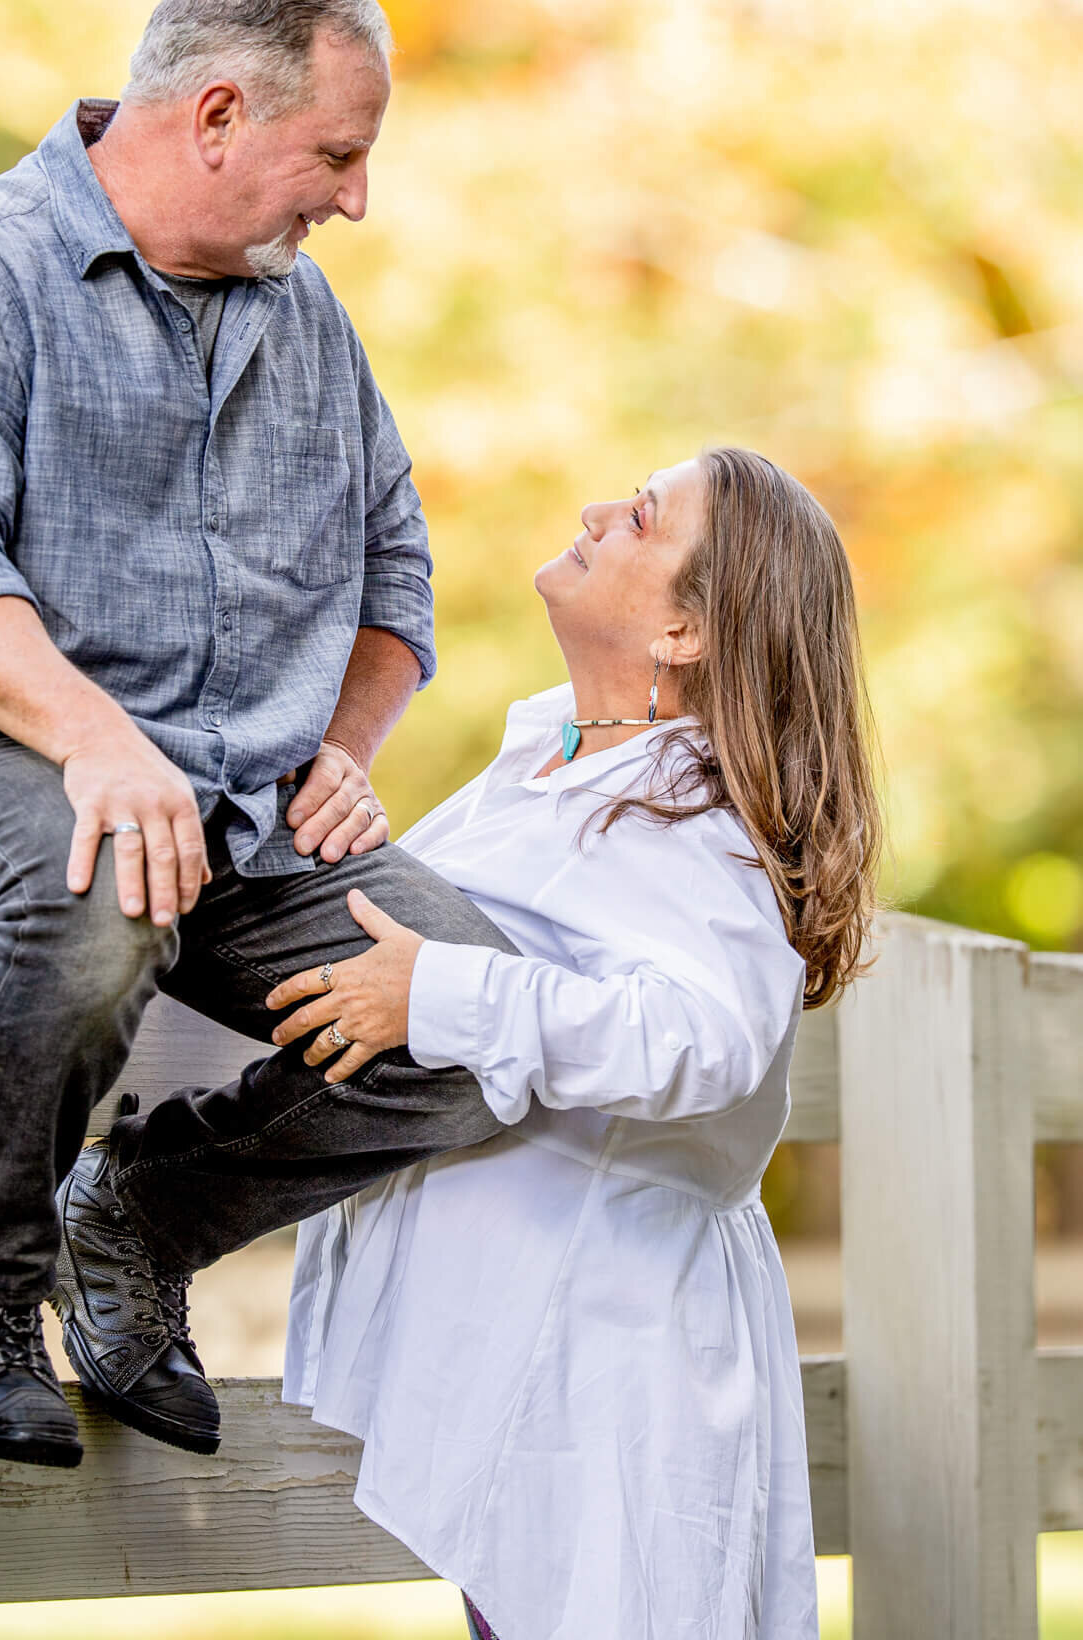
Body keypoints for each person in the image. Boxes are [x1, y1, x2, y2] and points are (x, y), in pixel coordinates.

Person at [0, 0, 519, 1469]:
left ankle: (134, 1217)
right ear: (217, 114)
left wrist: (340, 750)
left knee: (484, 1008)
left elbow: (397, 566)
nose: (355, 198)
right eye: (339, 154)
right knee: (102, 887)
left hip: (227, 788)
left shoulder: (300, 315)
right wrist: (102, 747)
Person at [269, 448, 882, 1640]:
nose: (602, 509)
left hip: (601, 1359)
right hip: (513, 1340)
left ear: (687, 630)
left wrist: (440, 993)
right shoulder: (551, 761)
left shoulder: (702, 814)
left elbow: (705, 1037)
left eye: (644, 517)